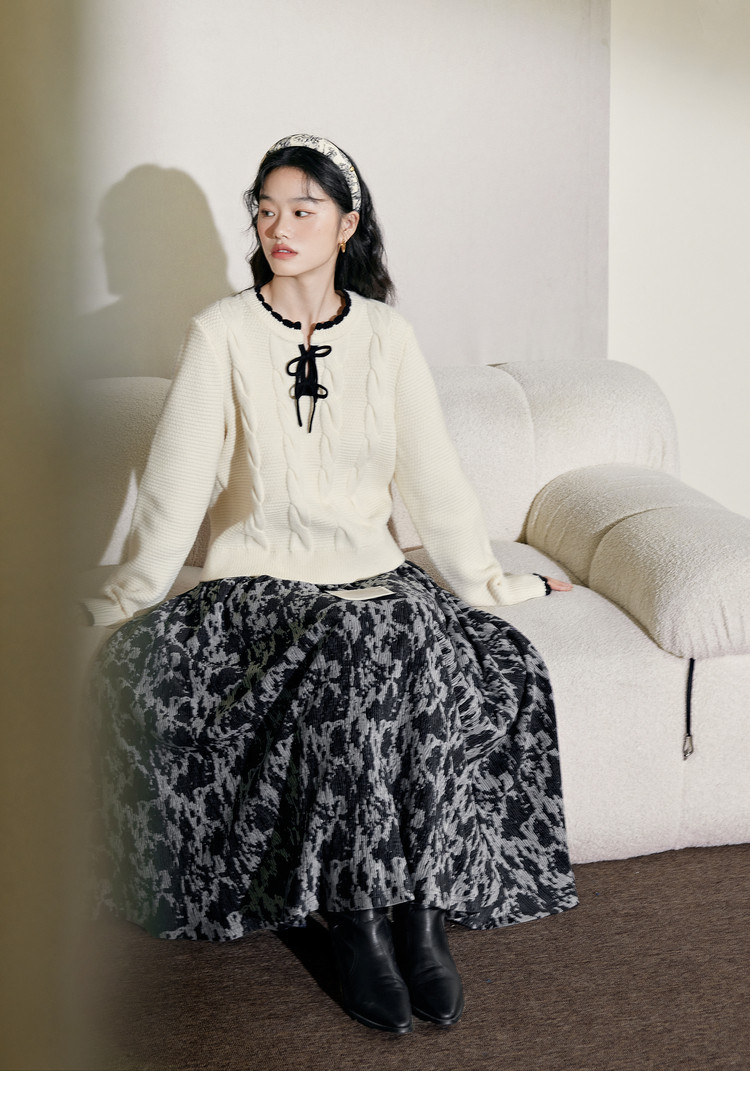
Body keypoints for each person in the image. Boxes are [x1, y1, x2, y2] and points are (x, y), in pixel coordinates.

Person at [81, 134, 578, 1036]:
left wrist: (494, 586)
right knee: (357, 642)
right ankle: (359, 921)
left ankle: (419, 916)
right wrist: (122, 597)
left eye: (302, 210)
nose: (279, 227)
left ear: (346, 225)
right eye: (266, 210)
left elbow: (436, 484)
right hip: (260, 591)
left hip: (374, 579)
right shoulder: (222, 333)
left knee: (418, 635)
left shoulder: (387, 337)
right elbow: (174, 487)